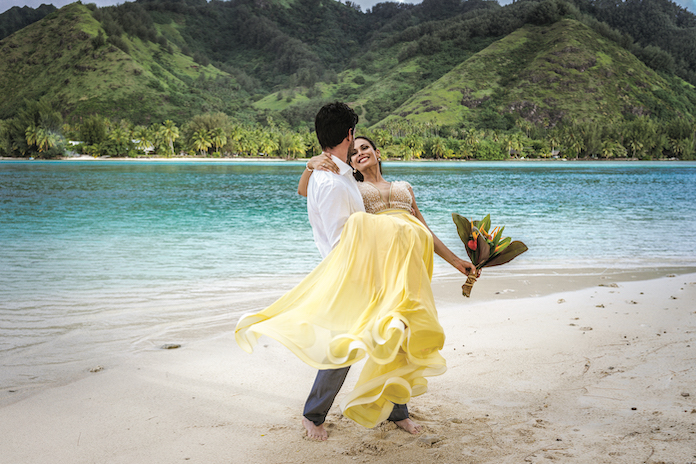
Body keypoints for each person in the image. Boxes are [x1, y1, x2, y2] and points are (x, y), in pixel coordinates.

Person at [235, 104, 475, 441]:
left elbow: (421, 225)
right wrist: (310, 165)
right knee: (346, 343)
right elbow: (337, 230)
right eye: (355, 144)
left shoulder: (351, 178)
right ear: (347, 137)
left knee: (395, 336)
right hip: (357, 271)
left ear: (378, 153)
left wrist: (454, 260)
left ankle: (397, 412)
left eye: (367, 148)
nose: (360, 151)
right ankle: (313, 414)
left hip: (394, 273)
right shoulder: (340, 181)